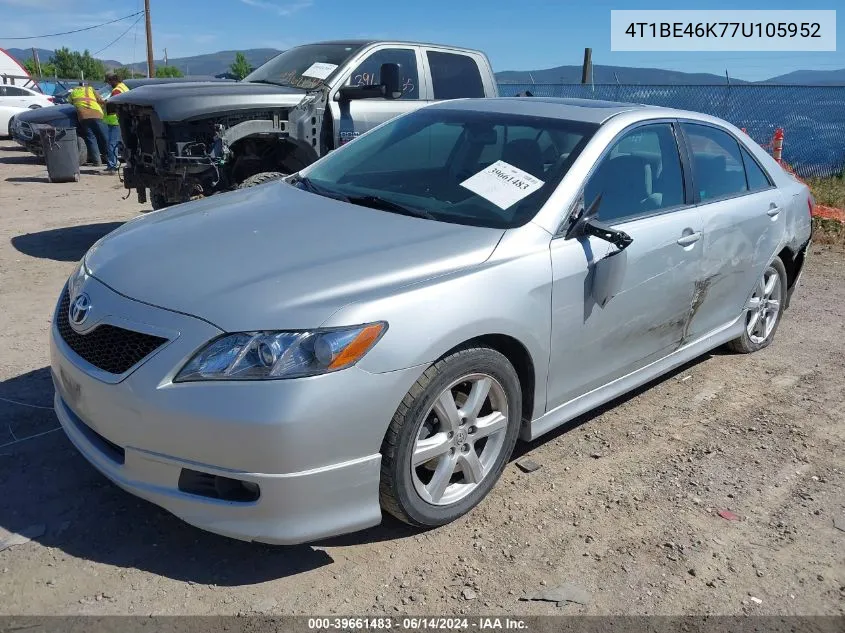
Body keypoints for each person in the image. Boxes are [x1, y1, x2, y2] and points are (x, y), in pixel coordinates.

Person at [68, 81, 108, 167]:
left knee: (91, 138)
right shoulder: (90, 89)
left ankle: (97, 162)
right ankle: (110, 159)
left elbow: (70, 102)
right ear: (87, 85)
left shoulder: (74, 92)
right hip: (97, 114)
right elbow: (100, 100)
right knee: (104, 136)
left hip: (83, 116)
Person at [102, 73, 129, 174]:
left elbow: (112, 104)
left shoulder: (116, 90)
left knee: (112, 144)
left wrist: (103, 102)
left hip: (115, 120)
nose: (108, 84)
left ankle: (112, 166)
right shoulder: (124, 87)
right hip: (122, 119)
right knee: (123, 143)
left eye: (108, 82)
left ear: (112, 80)